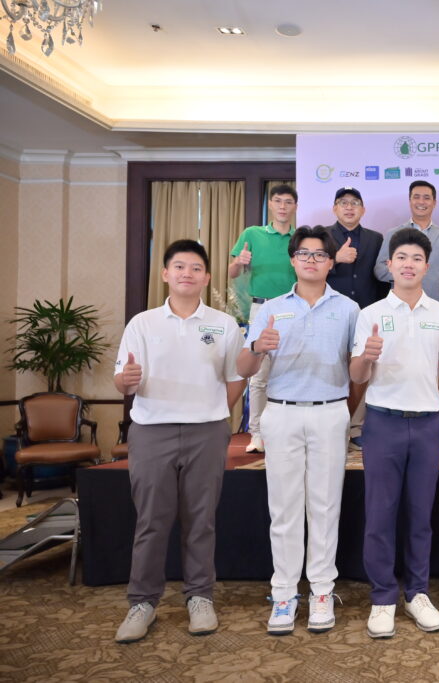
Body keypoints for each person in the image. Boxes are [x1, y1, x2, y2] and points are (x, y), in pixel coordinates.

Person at [113, 240, 246, 643]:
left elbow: (235, 378)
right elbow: (122, 380)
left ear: (206, 277)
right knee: (151, 520)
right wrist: (125, 381)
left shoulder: (223, 324)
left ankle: (200, 597)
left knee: (201, 521)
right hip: (152, 431)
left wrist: (213, 414)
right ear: (166, 274)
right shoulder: (142, 324)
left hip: (207, 432)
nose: (187, 273)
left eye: (196, 268)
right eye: (179, 266)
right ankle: (142, 602)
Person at [237, 226, 359, 636]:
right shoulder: (270, 308)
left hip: (329, 412)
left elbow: (358, 370)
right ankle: (284, 594)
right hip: (282, 412)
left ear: (331, 262)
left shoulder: (348, 309)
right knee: (285, 509)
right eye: (304, 253)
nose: (311, 260)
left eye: (319, 254)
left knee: (325, 507)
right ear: (292, 260)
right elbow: (243, 368)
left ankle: (322, 591)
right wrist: (257, 347)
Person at [351, 228, 439, 639]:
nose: (409, 265)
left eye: (416, 258)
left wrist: (433, 403)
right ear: (389, 265)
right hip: (383, 423)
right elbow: (356, 375)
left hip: (428, 424)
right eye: (402, 258)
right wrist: (366, 357)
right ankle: (382, 597)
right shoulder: (370, 314)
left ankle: (417, 593)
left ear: (426, 267)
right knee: (380, 514)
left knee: (419, 514)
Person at [229, 184, 299, 453]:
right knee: (258, 376)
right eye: (278, 201)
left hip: (293, 309)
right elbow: (232, 272)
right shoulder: (252, 234)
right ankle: (256, 434)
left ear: (295, 207)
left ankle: (287, 432)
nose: (282, 206)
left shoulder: (299, 238)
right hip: (262, 308)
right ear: (270, 204)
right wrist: (239, 262)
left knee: (291, 372)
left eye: (288, 202)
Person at [325, 186, 387, 450]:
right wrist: (335, 259)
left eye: (354, 203)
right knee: (333, 368)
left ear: (363, 209)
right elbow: (308, 270)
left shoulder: (376, 238)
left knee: (363, 368)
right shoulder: (323, 236)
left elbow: (381, 279)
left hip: (366, 312)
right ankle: (331, 426)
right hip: (331, 313)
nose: (349, 207)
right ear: (334, 208)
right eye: (343, 202)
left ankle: (356, 427)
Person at [374, 180, 439, 313]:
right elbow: (379, 270)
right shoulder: (393, 234)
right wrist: (405, 274)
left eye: (426, 198)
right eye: (416, 197)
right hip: (399, 307)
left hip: (434, 308)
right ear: (410, 201)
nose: (421, 202)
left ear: (434, 203)